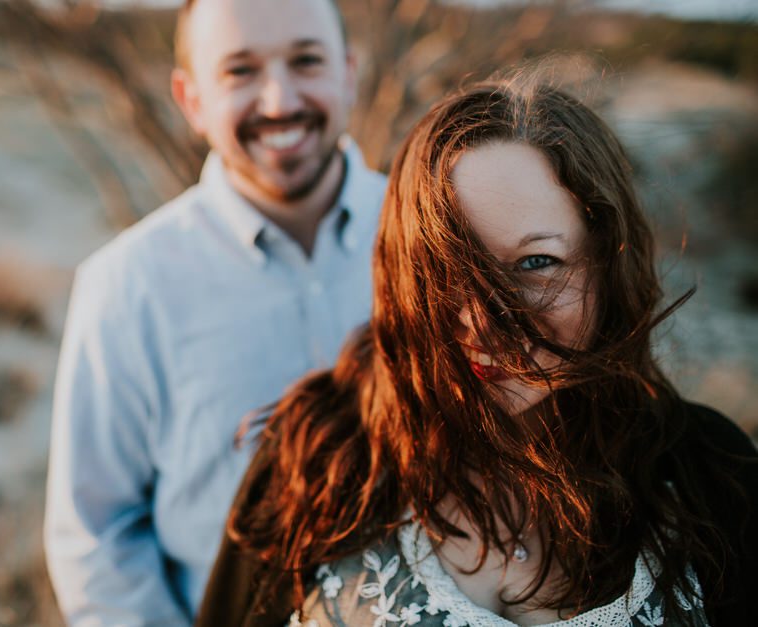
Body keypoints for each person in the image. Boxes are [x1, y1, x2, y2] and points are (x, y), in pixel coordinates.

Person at [197, 79, 758, 627]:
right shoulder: (316, 458)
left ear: (607, 265)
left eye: (537, 263)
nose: (483, 324)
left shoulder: (710, 475)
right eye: (446, 272)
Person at [43, 0, 387, 624]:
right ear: (191, 98)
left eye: (306, 60)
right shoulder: (126, 287)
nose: (280, 100)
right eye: (239, 71)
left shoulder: (440, 243)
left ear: (349, 73)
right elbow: (95, 537)